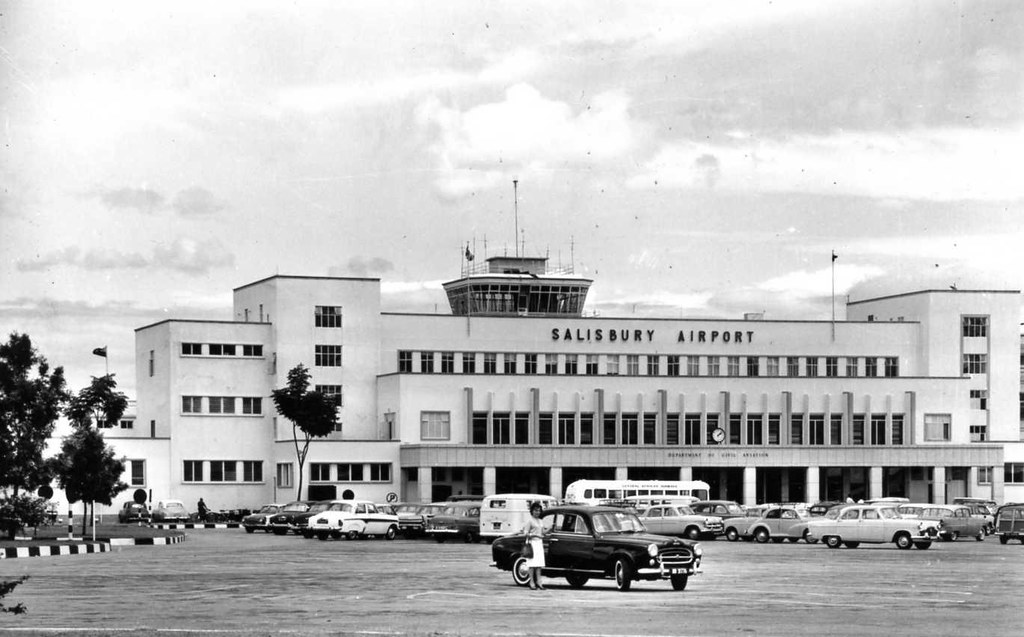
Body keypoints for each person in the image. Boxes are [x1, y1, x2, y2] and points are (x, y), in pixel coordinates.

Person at [521, 502, 547, 590]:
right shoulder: (530, 520)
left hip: (539, 543)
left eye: (539, 510)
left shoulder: (540, 521)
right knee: (532, 564)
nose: (537, 512)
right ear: (532, 511)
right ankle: (531, 582)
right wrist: (535, 535)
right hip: (532, 543)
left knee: (539, 564)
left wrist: (548, 531)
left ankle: (539, 582)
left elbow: (542, 532)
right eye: (535, 510)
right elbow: (525, 533)